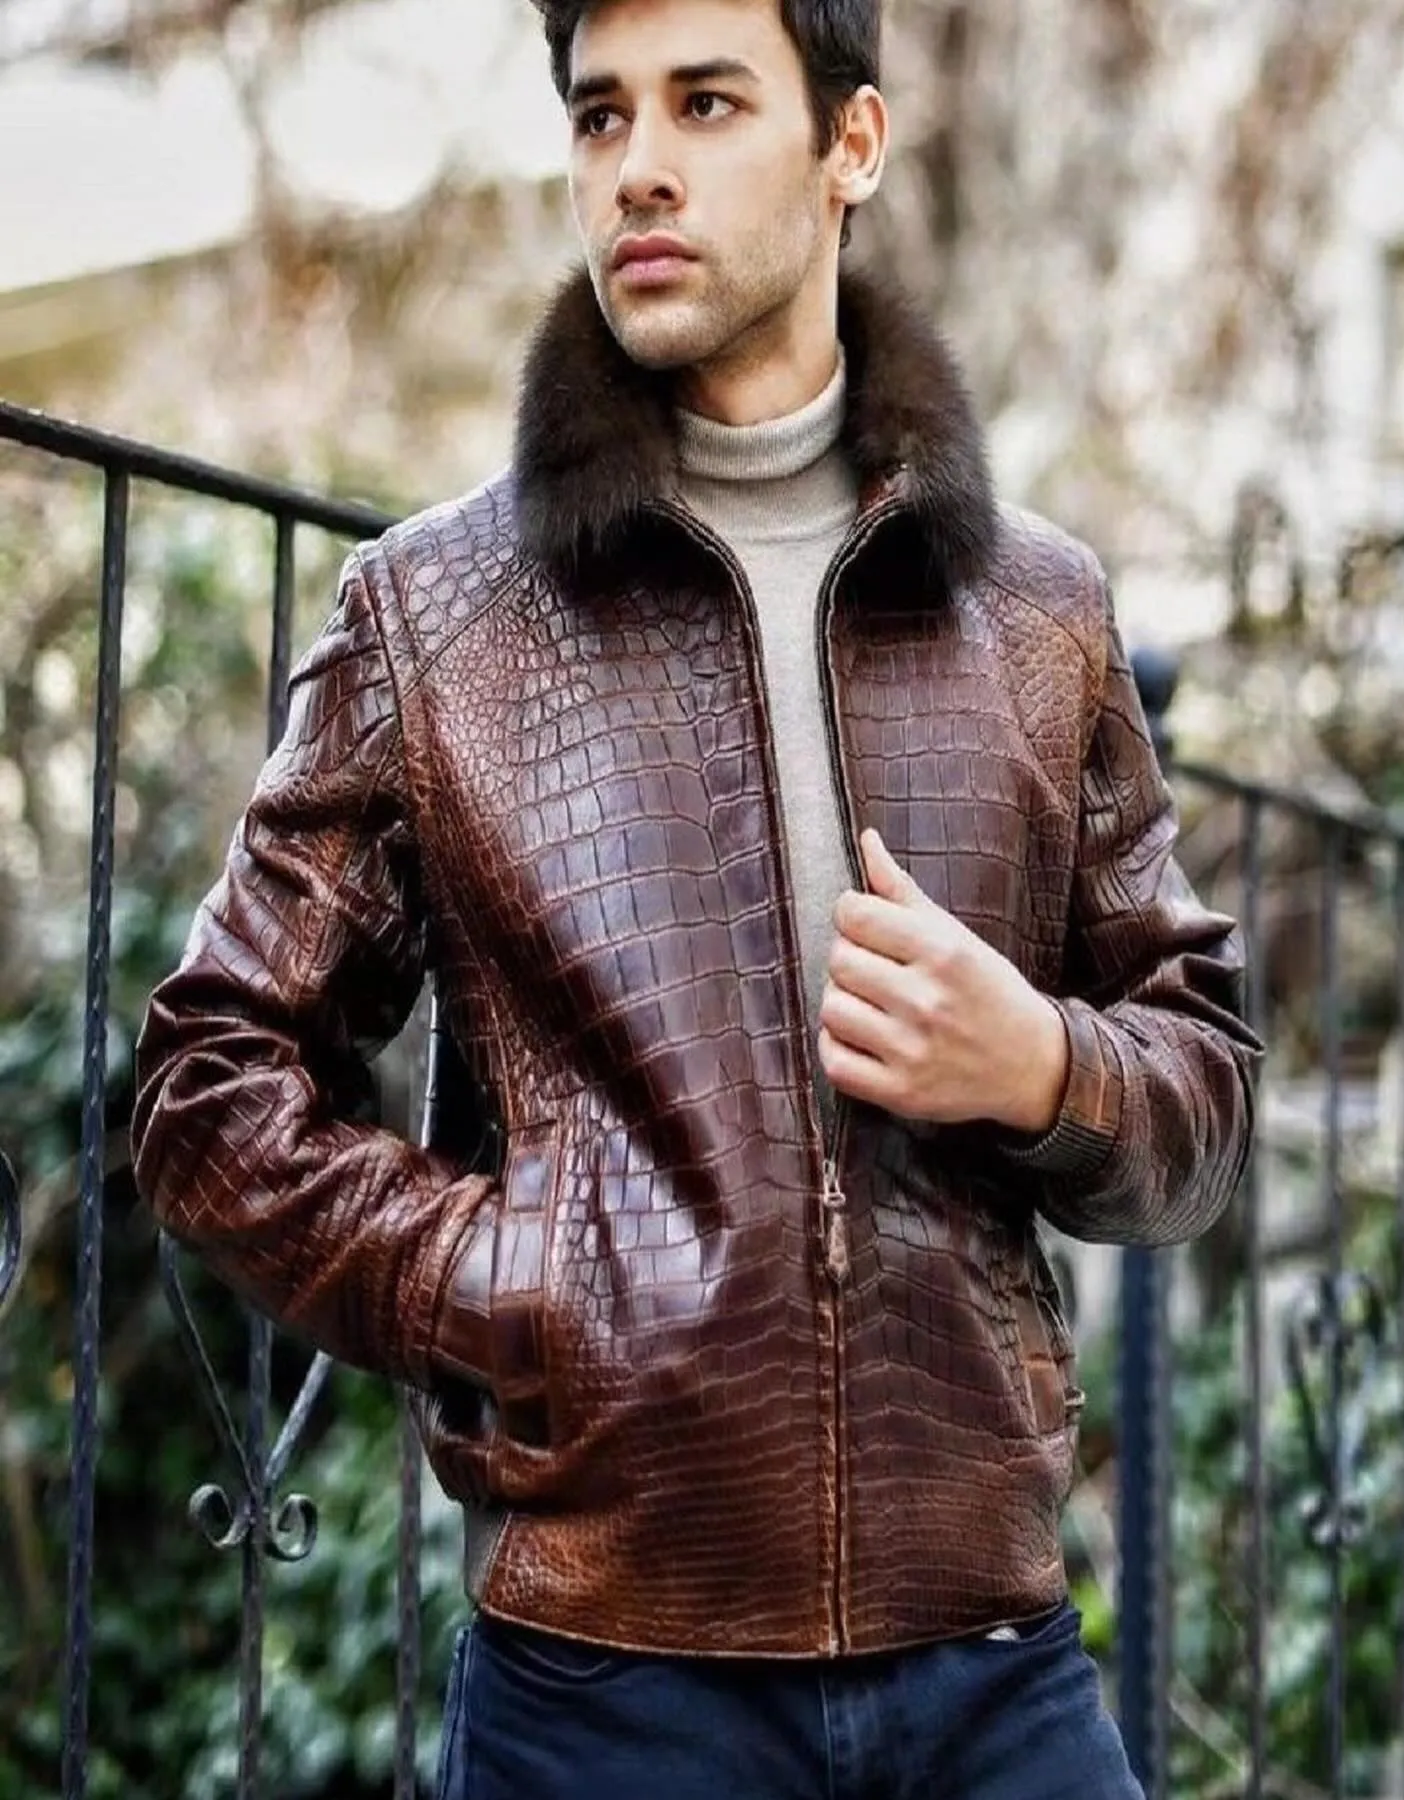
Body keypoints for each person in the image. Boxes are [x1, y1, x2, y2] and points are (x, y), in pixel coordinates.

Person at [131, 0, 1261, 1794]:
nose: (638, 168)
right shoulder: (436, 617)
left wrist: (1043, 1066)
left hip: (993, 1665)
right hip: (607, 1684)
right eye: (601, 116)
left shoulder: (1040, 612)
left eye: (707, 103)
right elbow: (210, 1086)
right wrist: (519, 1277)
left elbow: (1205, 1087)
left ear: (851, 144)